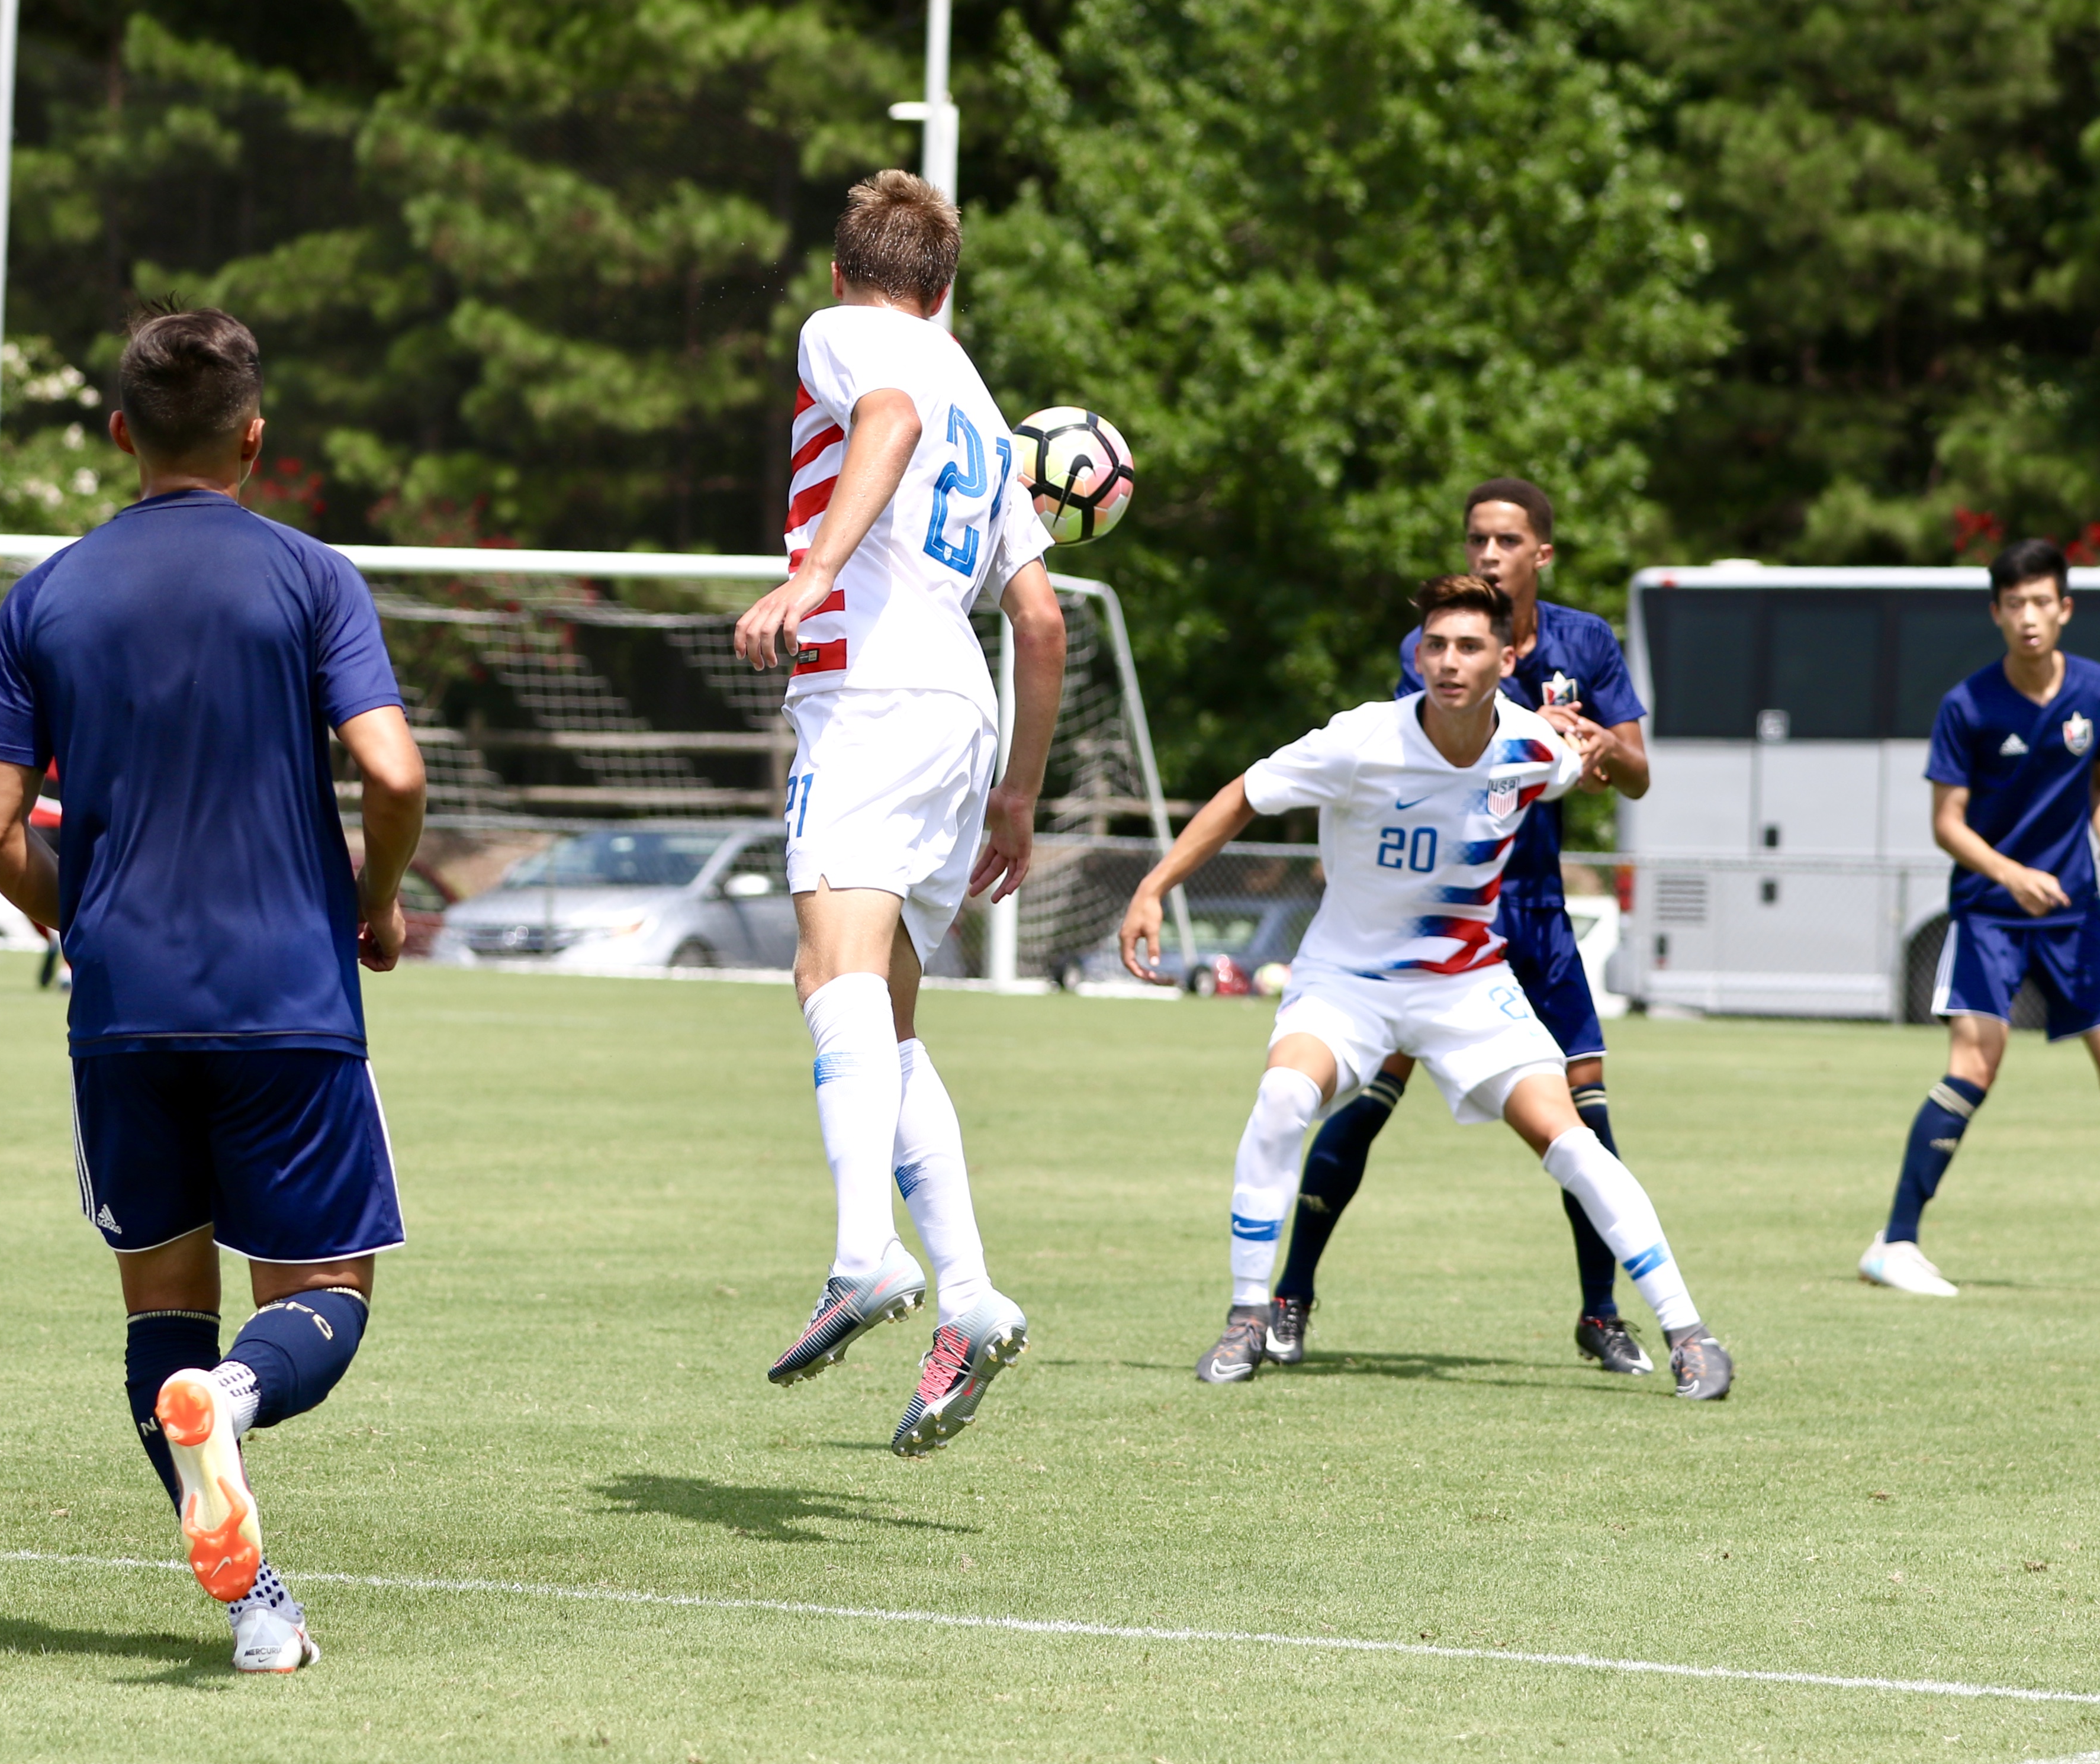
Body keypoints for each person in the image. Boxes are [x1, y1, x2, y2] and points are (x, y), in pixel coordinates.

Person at [0, 304, 427, 1672]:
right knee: (321, 1301)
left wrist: (89, 921)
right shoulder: (311, 578)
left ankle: (257, 1611)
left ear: (120, 435)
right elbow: (393, 774)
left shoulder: (44, 596)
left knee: (159, 1310)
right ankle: (232, 1399)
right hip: (286, 996)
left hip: (121, 1014)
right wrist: (379, 903)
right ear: (254, 439)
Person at [1118, 574, 1734, 1398]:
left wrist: (1594, 746)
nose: (1446, 662)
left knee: (1574, 1145)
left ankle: (1689, 1333)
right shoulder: (1358, 739)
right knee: (1280, 1102)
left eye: (1469, 647)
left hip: (1466, 986)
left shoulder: (1533, 747)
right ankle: (1246, 1316)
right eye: (1434, 645)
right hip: (1348, 982)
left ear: (1507, 658)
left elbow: (1597, 767)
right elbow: (1240, 796)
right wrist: (1153, 887)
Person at [735, 169, 1067, 1455]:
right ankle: (971, 1293)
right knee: (890, 1008)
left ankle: (862, 1254)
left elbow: (875, 413)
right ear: (948, 286)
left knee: (828, 972)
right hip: (960, 709)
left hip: (868, 691)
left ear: (845, 278)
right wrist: (1018, 795)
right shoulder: (977, 394)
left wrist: (812, 573)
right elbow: (1037, 620)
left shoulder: (860, 337)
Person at [1265, 479, 1660, 1376]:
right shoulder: (1438, 645)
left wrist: (1597, 743)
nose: (1488, 555)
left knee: (1584, 1119)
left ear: (1540, 555)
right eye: (1477, 539)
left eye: (1507, 542)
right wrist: (1532, 720)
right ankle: (1288, 1296)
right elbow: (1460, 725)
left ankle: (1600, 1314)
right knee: (1363, 1105)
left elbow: (1636, 774)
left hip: (1536, 913)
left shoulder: (1587, 641)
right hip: (1436, 919)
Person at [1858, 537, 2100, 1302]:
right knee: (1973, 1067)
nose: (2028, 617)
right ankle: (1895, 1244)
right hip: (1988, 913)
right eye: (2013, 604)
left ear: (2064, 608)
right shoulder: (1967, 704)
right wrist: (2011, 876)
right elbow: (1946, 823)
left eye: (2041, 602)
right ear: (1996, 613)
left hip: (2075, 916)